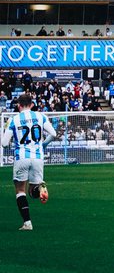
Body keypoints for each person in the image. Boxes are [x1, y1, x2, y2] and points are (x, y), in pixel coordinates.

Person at [2, 93, 58, 230]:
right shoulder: (40, 116)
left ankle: (27, 223)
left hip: (21, 157)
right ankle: (40, 188)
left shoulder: (13, 120)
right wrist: (43, 145)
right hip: (38, 157)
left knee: (20, 190)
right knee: (33, 192)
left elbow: (4, 144)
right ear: (32, 104)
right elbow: (54, 134)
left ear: (18, 105)